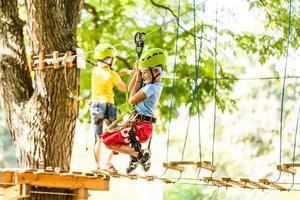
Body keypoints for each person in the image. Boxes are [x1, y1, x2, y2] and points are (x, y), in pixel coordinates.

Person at [101, 48, 167, 173]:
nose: (144, 76)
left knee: (107, 142)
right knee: (106, 137)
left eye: (146, 72)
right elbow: (130, 90)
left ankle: (138, 154)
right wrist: (138, 72)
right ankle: (136, 154)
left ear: (156, 71)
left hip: (141, 127)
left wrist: (139, 75)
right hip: (136, 125)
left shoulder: (151, 88)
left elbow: (131, 100)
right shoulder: (148, 84)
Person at [91, 43, 126, 170]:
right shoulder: (112, 75)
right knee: (113, 136)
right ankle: (108, 162)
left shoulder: (95, 72)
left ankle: (97, 165)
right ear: (109, 59)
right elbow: (123, 88)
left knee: (98, 137)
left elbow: (108, 75)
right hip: (109, 105)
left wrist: (121, 73)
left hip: (96, 105)